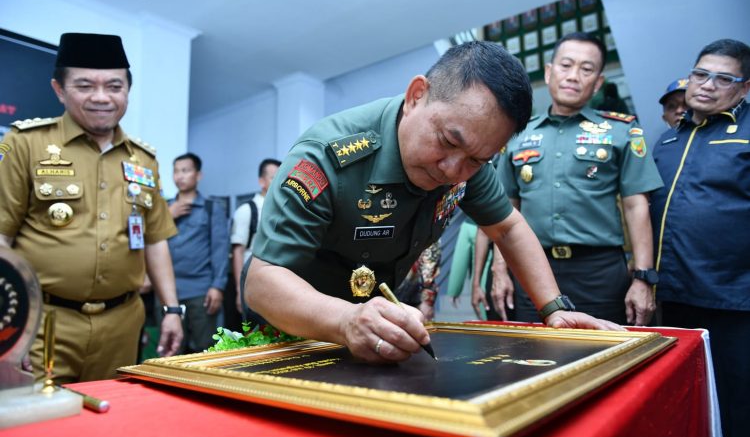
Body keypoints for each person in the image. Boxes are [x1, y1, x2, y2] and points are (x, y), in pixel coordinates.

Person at [244, 41, 623, 365]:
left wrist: (554, 309)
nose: (453, 170)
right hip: (292, 331)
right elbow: (263, 283)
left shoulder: (468, 156)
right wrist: (346, 320)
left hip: (372, 332)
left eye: (477, 160)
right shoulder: (329, 156)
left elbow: (506, 226)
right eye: (447, 141)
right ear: (416, 96)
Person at [0, 32, 183, 382]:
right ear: (59, 90)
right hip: (42, 322)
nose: (101, 97)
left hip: (122, 324)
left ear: (127, 90)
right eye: (85, 85)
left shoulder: (144, 160)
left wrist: (172, 309)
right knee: (37, 424)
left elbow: (155, 240)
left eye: (114, 86)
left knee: (108, 421)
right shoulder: (25, 143)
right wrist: (10, 323)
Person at [492, 32, 663, 326]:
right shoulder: (518, 135)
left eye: (586, 70)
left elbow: (637, 206)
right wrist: (499, 270)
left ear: (598, 82)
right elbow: (506, 208)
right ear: (548, 72)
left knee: (605, 358)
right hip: (531, 266)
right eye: (566, 65)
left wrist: (643, 278)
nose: (573, 76)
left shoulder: (622, 131)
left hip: (599, 272)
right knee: (533, 357)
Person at [650, 39, 750, 437]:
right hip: (671, 298)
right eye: (700, 74)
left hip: (733, 300)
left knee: (737, 406)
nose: (707, 86)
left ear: (743, 88)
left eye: (723, 79)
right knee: (684, 399)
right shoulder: (667, 140)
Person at [168, 152, 229, 353]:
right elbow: (148, 242)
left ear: (198, 175)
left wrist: (217, 287)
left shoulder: (212, 208)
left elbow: (220, 250)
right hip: (168, 292)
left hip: (201, 291)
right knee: (169, 353)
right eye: (176, 171)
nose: (180, 176)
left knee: (205, 351)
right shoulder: (163, 209)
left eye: (186, 170)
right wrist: (168, 216)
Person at [229, 158, 280, 321]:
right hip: (252, 283)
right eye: (274, 177)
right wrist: (239, 291)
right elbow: (238, 252)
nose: (279, 181)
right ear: (261, 181)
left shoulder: (284, 210)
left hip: (279, 285)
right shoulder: (247, 210)